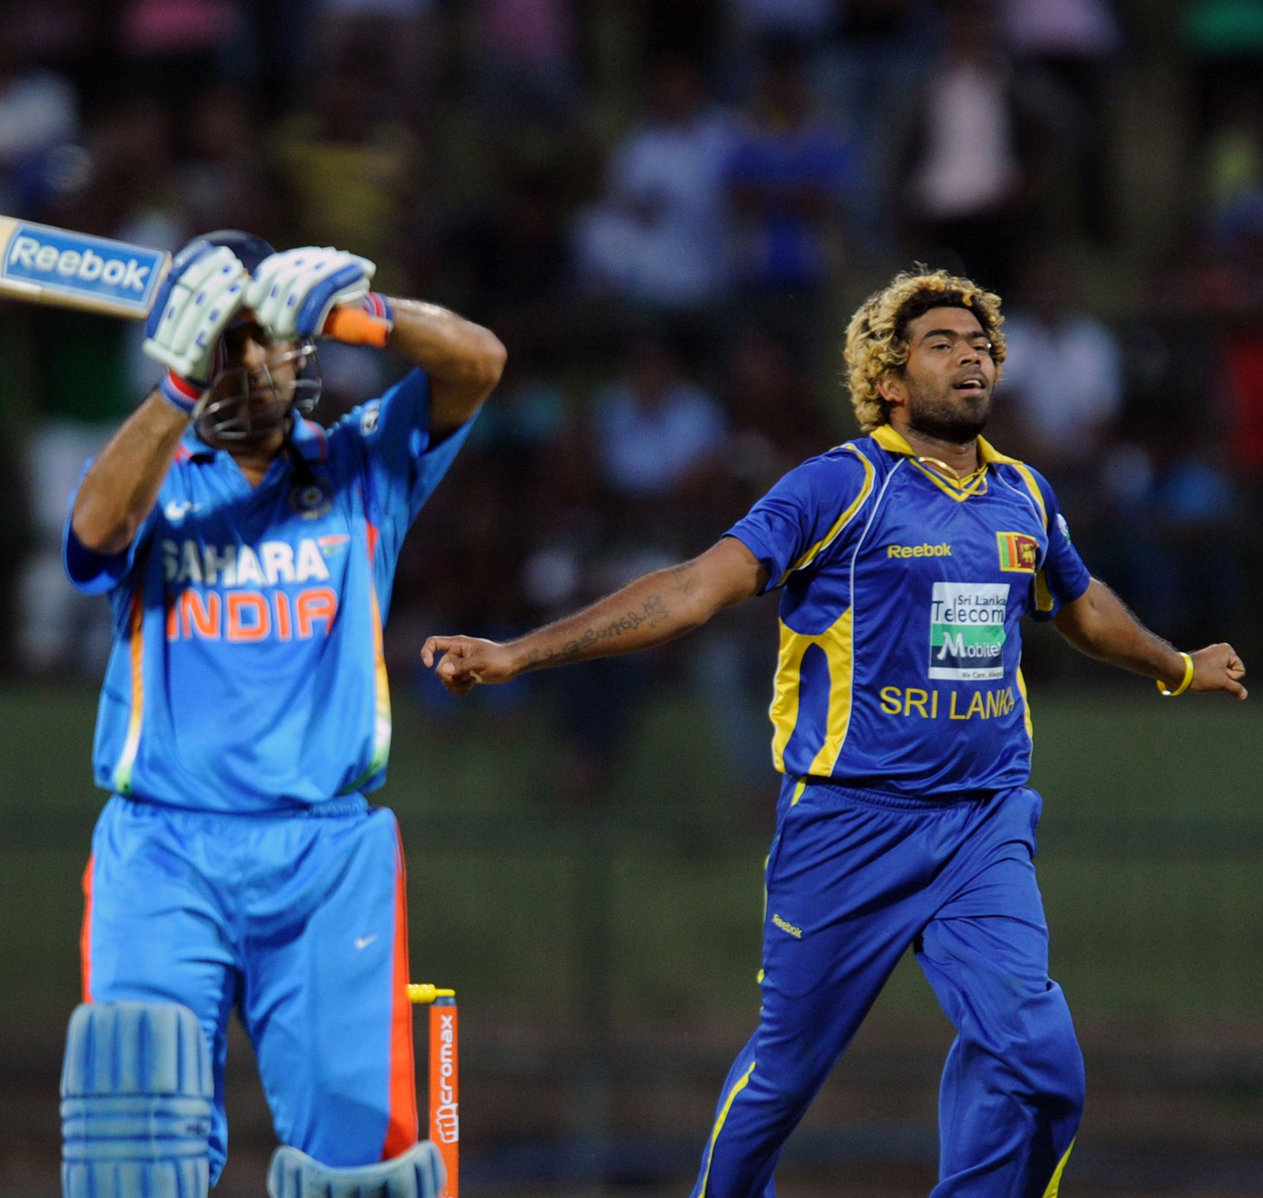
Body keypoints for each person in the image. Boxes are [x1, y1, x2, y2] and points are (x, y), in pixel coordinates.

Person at [421, 268, 1247, 1198]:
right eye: (943, 343)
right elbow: (693, 589)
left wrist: (1178, 666)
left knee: (1040, 1060)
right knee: (783, 1078)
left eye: (980, 344)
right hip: (847, 827)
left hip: (983, 824)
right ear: (889, 380)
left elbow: (1085, 611)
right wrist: (517, 655)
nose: (972, 354)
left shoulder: (1025, 495)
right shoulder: (839, 486)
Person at [58, 232, 504, 1198]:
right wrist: (177, 393)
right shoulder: (154, 476)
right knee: (129, 1150)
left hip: (324, 856)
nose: (249, 364)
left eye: (265, 341)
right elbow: (89, 543)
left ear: (302, 351)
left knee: (366, 1170)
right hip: (163, 852)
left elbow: (481, 359)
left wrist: (368, 315)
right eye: (224, 343)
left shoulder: (364, 464)